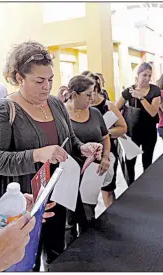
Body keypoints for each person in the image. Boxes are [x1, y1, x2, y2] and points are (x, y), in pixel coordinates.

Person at [0, 41, 103, 270]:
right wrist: (37, 154)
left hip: (58, 195)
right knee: (26, 261)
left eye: (50, 80)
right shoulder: (6, 110)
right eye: (39, 81)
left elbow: (69, 140)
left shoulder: (55, 104)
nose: (46, 87)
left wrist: (82, 148)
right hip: (25, 204)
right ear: (19, 78)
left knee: (56, 251)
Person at [65, 75, 110, 221]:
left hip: (93, 172)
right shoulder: (62, 114)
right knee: (69, 218)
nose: (92, 98)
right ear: (74, 94)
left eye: (93, 94)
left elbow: (105, 137)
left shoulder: (95, 113)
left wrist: (105, 157)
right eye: (88, 94)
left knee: (88, 214)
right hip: (70, 173)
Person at [85, 71, 127, 207]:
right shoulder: (79, 108)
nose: (89, 98)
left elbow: (122, 128)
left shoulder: (108, 106)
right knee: (88, 195)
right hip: (86, 155)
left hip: (107, 152)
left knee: (107, 190)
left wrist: (105, 133)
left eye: (92, 93)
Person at [116, 62, 161, 184]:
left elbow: (153, 112)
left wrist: (141, 97)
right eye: (144, 75)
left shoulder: (155, 90)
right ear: (138, 75)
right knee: (130, 163)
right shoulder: (129, 91)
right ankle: (130, 188)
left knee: (147, 162)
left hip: (149, 132)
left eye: (149, 75)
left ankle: (146, 187)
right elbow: (115, 109)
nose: (147, 78)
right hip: (132, 133)